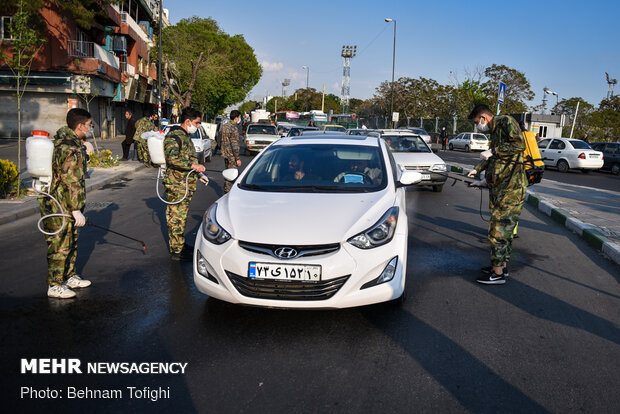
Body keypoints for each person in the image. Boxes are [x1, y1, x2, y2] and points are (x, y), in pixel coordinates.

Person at [467, 104, 527, 284]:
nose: (478, 126)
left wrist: (493, 150)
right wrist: (477, 173)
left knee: (498, 232)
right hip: (501, 187)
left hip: (511, 189)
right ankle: (501, 266)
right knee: (505, 231)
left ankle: (497, 273)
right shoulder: (495, 132)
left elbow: (519, 145)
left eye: (478, 122)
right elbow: (494, 160)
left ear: (484, 117)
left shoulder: (506, 121)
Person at [39, 108, 92, 298]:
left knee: (71, 242)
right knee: (60, 245)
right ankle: (54, 285)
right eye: (88, 125)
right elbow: (72, 181)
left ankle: (69, 276)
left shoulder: (66, 142)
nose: (89, 128)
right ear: (79, 126)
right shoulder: (70, 148)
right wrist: (76, 209)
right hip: (60, 204)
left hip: (63, 203)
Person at [163, 108, 207, 261]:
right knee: (175, 216)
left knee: (182, 216)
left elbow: (188, 158)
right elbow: (172, 158)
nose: (198, 126)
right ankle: (176, 251)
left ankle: (180, 244)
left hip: (184, 183)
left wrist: (199, 174)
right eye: (196, 123)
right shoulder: (175, 136)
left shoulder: (185, 136)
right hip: (176, 185)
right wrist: (194, 166)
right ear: (188, 121)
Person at [220, 110, 242, 193]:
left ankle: (226, 191)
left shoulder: (224, 126)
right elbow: (234, 145)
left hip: (225, 154)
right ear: (236, 118)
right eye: (239, 117)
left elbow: (219, 139)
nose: (239, 119)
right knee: (231, 176)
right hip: (232, 156)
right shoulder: (233, 128)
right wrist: (237, 158)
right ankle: (229, 193)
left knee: (227, 174)